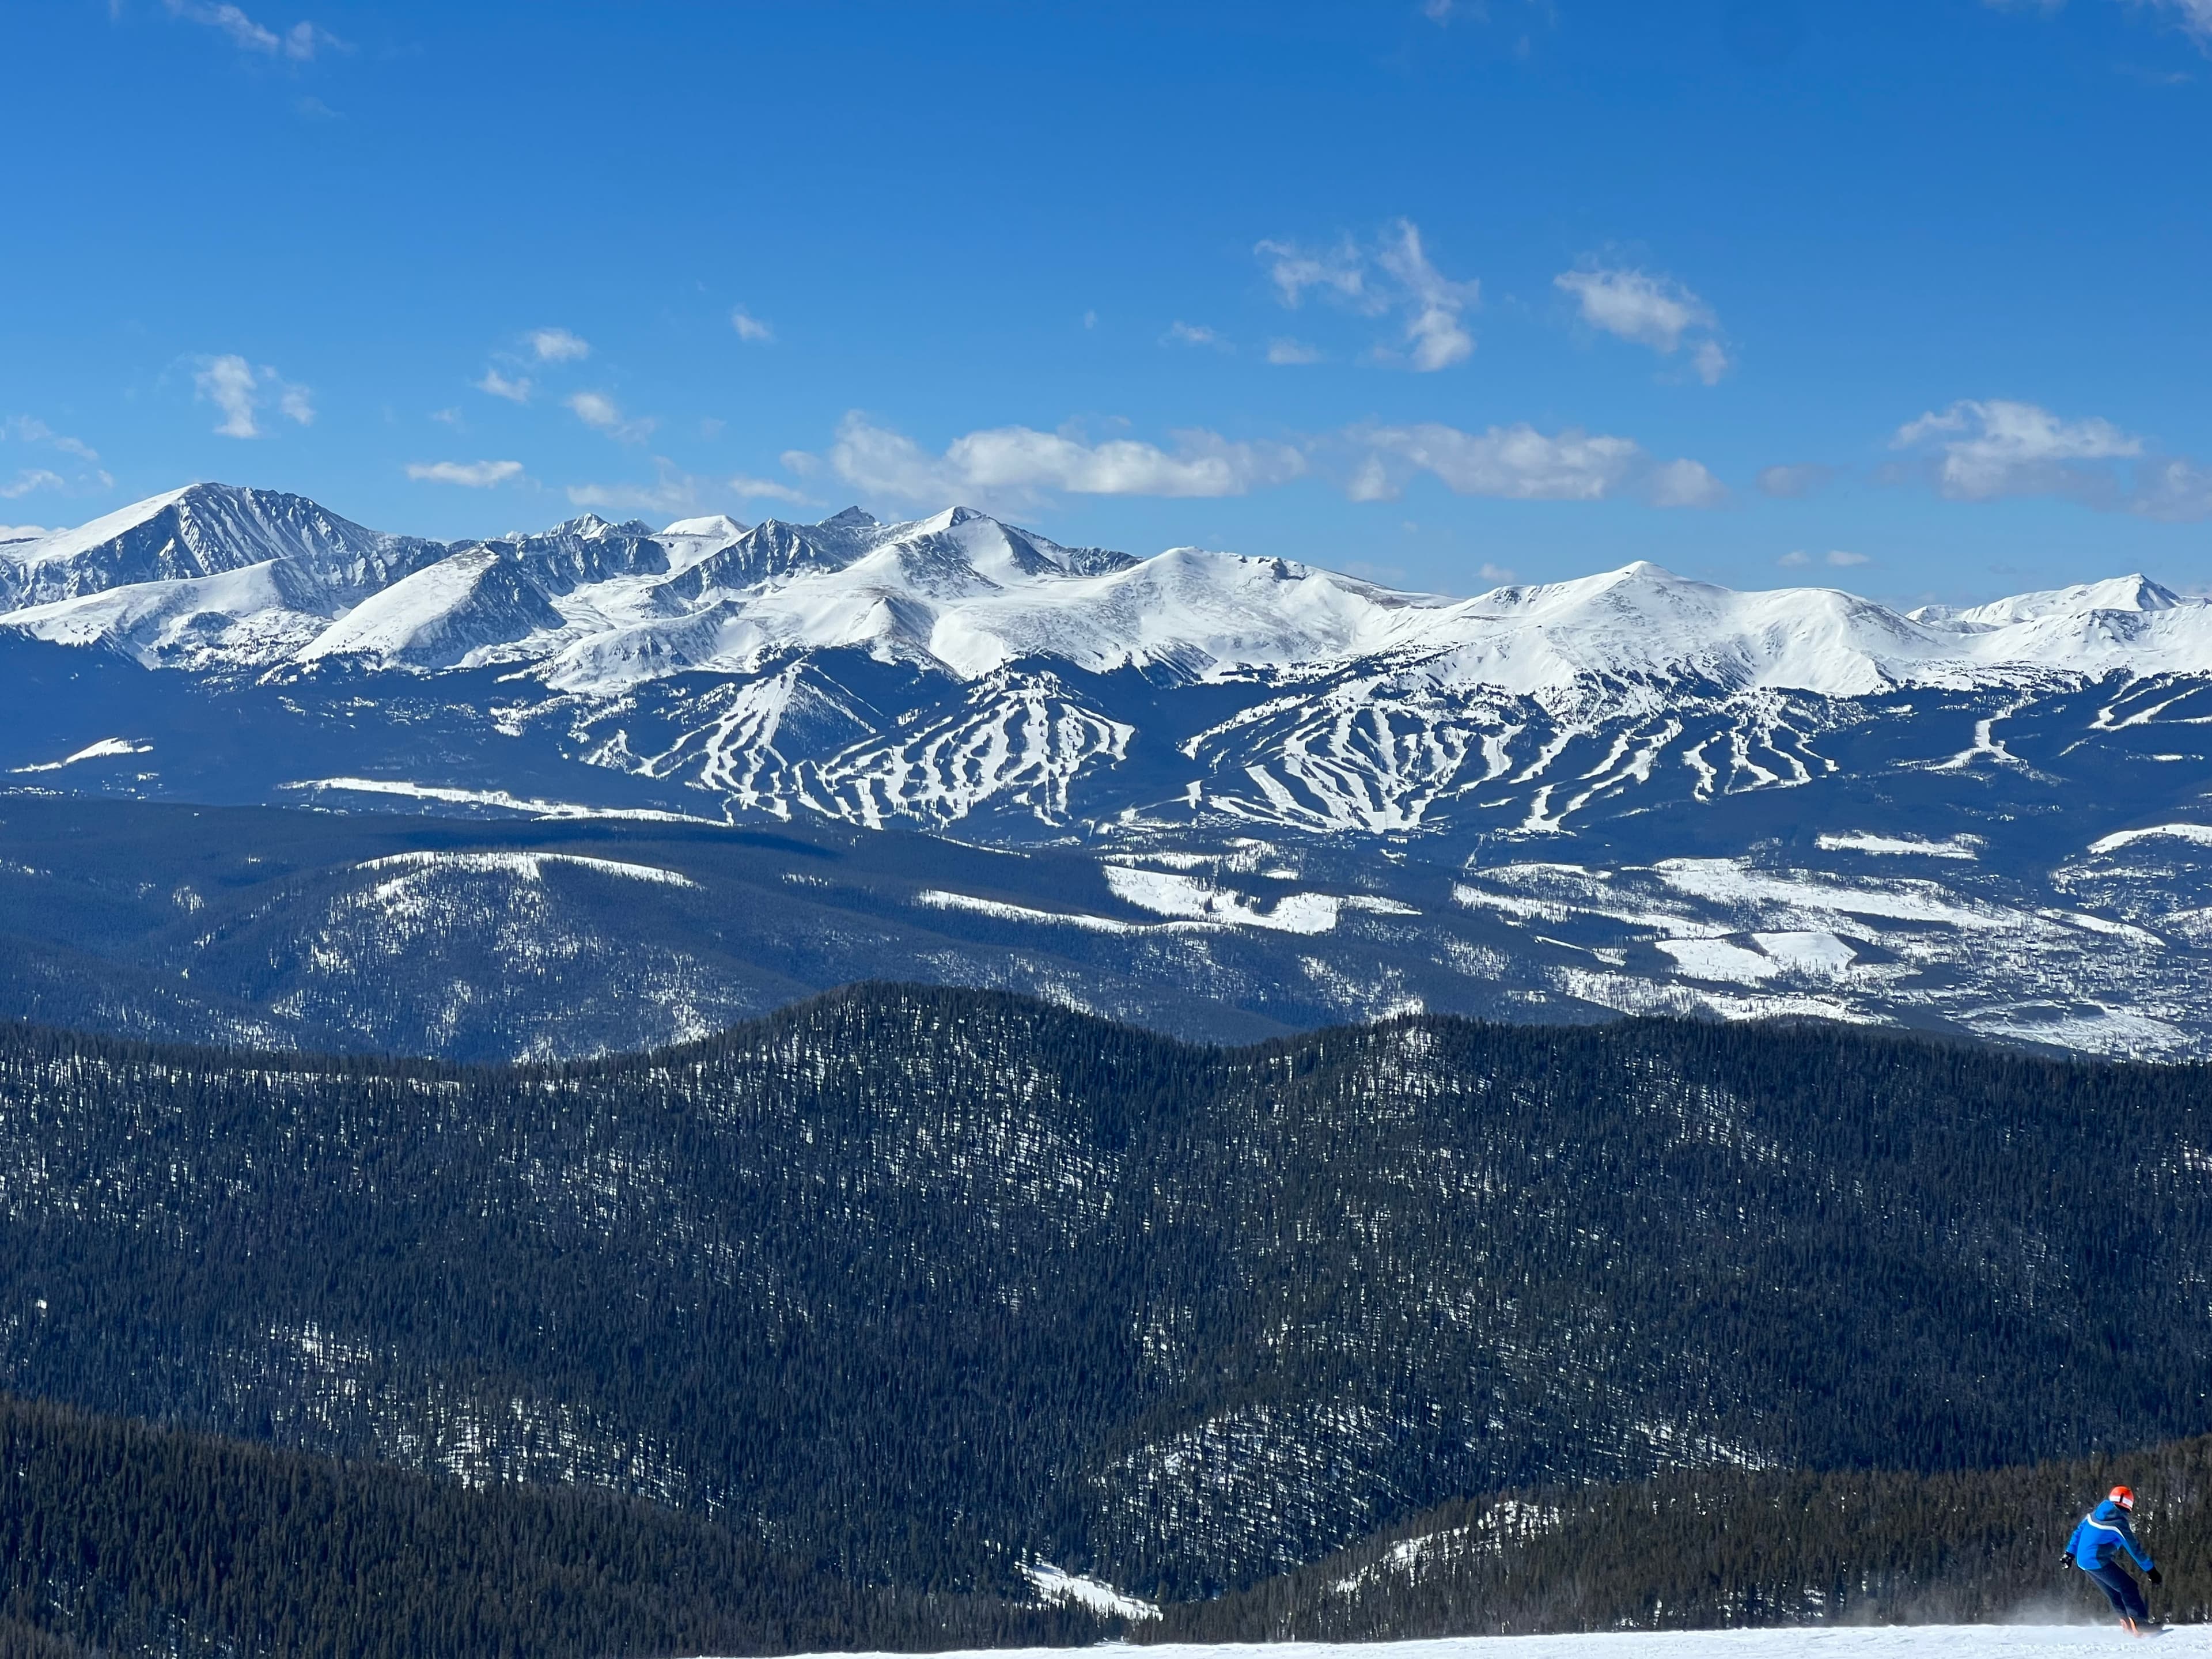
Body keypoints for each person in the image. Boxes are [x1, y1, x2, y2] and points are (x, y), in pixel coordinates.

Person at [2065, 1484, 2164, 1635]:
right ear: (2129, 1504)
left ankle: (2128, 1626)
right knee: (2129, 1587)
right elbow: (2134, 1549)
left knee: (2115, 1592)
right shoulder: (2118, 1523)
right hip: (2096, 1560)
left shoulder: (2094, 1514)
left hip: (2083, 1561)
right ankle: (2140, 1624)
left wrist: (2069, 1553)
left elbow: (2078, 1531)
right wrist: (2151, 1570)